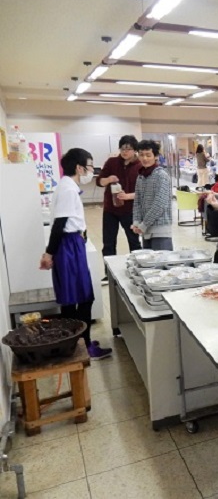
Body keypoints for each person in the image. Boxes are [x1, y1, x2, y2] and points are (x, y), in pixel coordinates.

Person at [39, 148, 112, 360]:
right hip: (68, 246)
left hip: (72, 244)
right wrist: (49, 254)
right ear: (79, 167)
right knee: (81, 298)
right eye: (89, 166)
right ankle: (84, 347)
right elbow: (60, 224)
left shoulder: (66, 185)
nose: (91, 171)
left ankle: (76, 344)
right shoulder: (68, 190)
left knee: (75, 298)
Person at [96, 135, 142, 284]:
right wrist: (109, 179)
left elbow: (144, 191)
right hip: (110, 209)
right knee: (108, 243)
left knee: (134, 241)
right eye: (122, 148)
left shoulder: (140, 165)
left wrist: (128, 196)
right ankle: (108, 274)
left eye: (128, 149)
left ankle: (139, 270)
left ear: (135, 150)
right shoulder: (112, 162)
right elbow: (100, 182)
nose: (124, 152)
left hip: (129, 210)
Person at [131, 140, 173, 251]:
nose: (144, 158)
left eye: (148, 155)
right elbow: (137, 201)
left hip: (160, 230)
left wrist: (144, 224)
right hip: (145, 230)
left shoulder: (161, 175)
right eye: (141, 155)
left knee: (162, 265)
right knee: (149, 266)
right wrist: (136, 222)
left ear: (156, 156)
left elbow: (160, 204)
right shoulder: (141, 176)